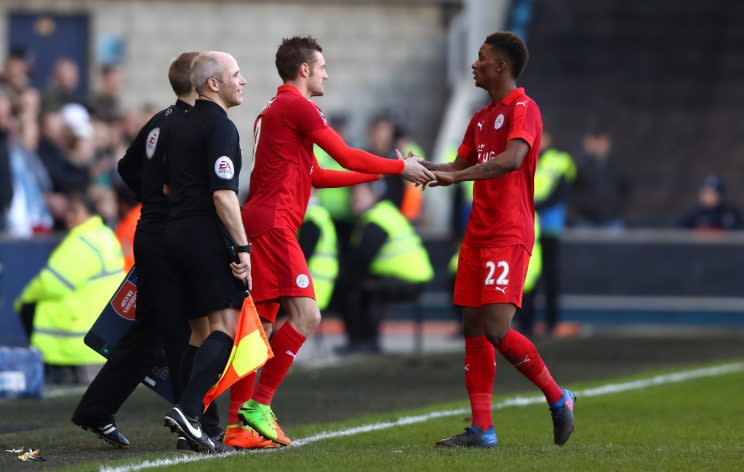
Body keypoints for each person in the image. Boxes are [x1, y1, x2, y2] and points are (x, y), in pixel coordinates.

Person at [233, 35, 434, 448]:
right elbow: (342, 155)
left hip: (262, 220)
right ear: (303, 69)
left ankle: (238, 427)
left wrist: (381, 173)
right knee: (307, 316)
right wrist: (399, 166)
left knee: (262, 328)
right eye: (322, 66)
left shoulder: (276, 110)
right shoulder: (297, 106)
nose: (327, 73)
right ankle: (258, 405)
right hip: (274, 226)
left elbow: (317, 175)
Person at [420, 32, 575, 448]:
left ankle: (559, 397)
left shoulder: (524, 108)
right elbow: (459, 164)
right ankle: (483, 429)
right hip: (478, 234)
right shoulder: (480, 117)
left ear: (501, 66)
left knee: (497, 327)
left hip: (509, 232)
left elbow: (511, 160)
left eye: (482, 57)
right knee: (473, 325)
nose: (474, 64)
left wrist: (456, 176)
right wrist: (420, 168)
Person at [70, 52, 200, 449]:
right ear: (204, 81)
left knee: (151, 333)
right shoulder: (192, 125)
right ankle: (194, 420)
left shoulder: (159, 120)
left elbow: (125, 168)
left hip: (152, 232)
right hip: (169, 236)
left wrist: (151, 193)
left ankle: (97, 408)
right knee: (178, 329)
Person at [160, 51, 248, 454]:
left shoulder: (175, 124)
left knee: (197, 333)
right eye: (236, 74)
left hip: (172, 233)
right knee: (225, 330)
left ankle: (196, 430)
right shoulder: (220, 127)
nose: (242, 80)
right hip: (203, 236)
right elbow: (224, 196)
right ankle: (189, 411)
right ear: (213, 84)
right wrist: (243, 247)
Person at [14, 192, 124, 382]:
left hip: (73, 340)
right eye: (68, 211)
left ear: (90, 213)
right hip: (99, 334)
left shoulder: (83, 241)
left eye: (75, 211)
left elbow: (51, 283)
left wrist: (23, 299)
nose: (69, 216)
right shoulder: (104, 234)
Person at [336, 182, 434, 354]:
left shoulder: (378, 218)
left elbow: (362, 257)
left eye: (359, 195)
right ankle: (365, 342)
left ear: (374, 195)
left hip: (407, 280)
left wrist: (344, 276)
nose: (354, 200)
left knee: (356, 288)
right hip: (408, 278)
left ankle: (364, 343)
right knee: (358, 285)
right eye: (352, 196)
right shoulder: (382, 213)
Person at [533, 129, 576, 336]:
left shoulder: (560, 160)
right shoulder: (523, 157)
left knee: (550, 274)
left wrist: (534, 207)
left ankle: (551, 322)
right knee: (528, 277)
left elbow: (562, 191)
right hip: (528, 223)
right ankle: (527, 323)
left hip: (548, 224)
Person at [571, 126, 629, 230]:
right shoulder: (582, 163)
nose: (600, 145)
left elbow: (626, 189)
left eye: (603, 141)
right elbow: (573, 187)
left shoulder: (617, 165)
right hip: (587, 220)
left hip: (612, 220)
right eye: (597, 141)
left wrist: (617, 208)